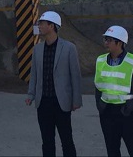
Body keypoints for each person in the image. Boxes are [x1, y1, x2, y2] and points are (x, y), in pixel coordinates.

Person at [25, 11, 82, 157]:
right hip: (43, 102)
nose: (39, 26)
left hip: (61, 102)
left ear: (52, 26)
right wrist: (31, 94)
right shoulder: (37, 49)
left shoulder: (69, 48)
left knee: (66, 140)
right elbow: (34, 74)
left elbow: (75, 76)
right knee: (47, 141)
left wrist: (76, 100)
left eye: (42, 23)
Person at [94, 25, 133, 157]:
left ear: (119, 43)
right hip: (107, 112)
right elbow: (98, 86)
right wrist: (100, 106)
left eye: (109, 40)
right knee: (112, 150)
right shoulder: (100, 60)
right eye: (105, 40)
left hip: (127, 112)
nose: (106, 43)